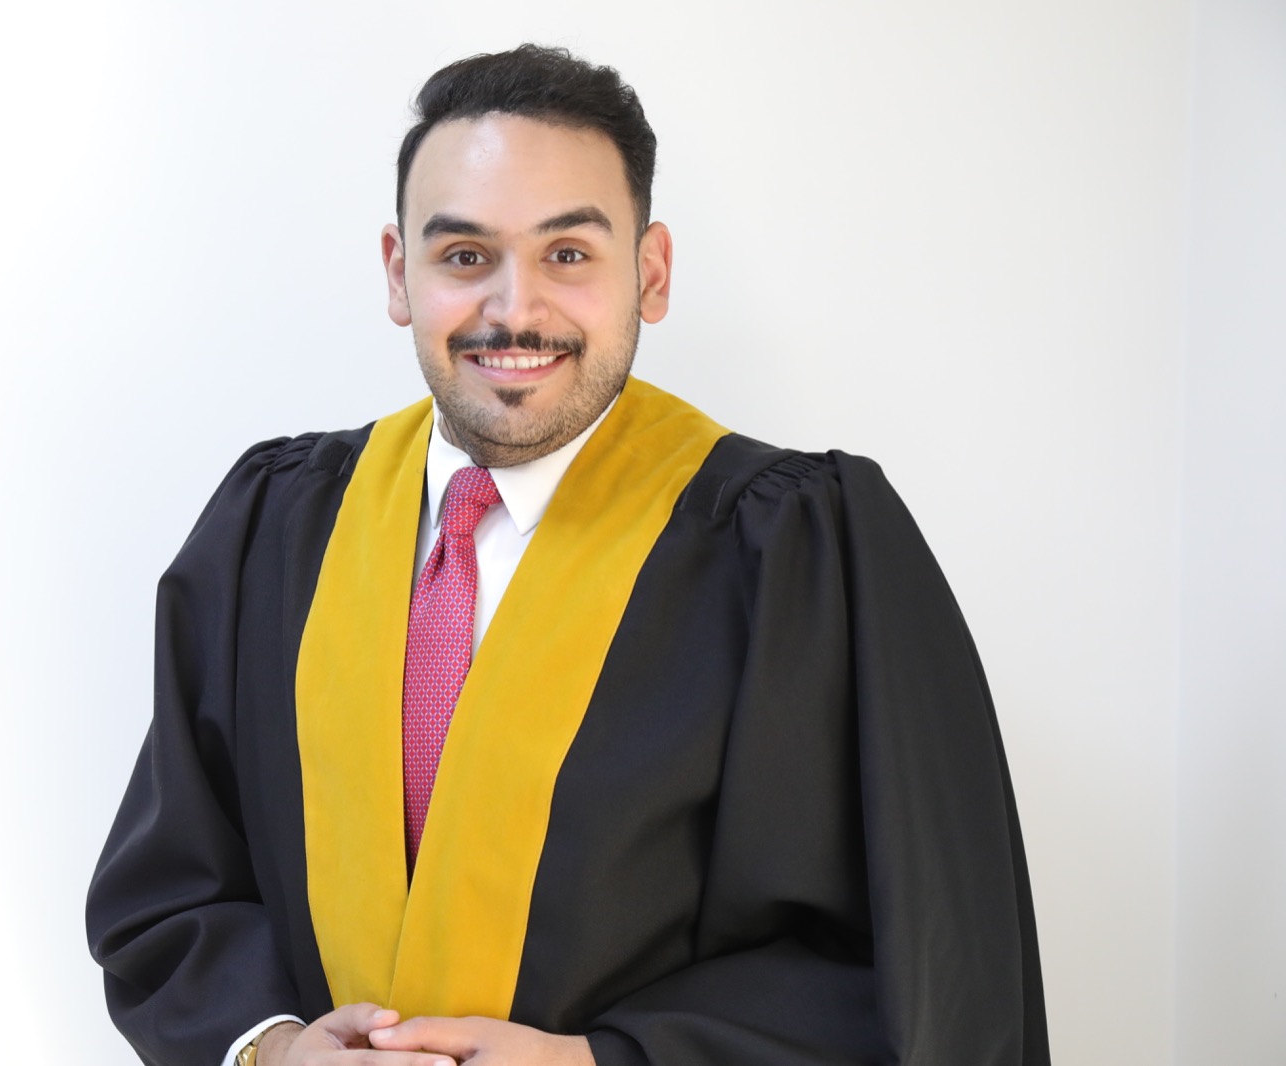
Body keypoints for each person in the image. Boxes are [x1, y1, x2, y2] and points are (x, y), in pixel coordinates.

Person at [86, 44, 1049, 1066]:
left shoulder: (791, 555)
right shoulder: (277, 528)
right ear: (398, 273)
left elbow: (919, 969)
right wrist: (277, 1050)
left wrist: (597, 1061)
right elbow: (172, 887)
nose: (514, 309)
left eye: (569, 254)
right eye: (465, 255)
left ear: (651, 272)